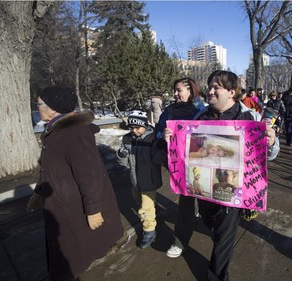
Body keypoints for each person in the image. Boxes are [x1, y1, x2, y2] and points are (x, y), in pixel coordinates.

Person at [164, 70, 279, 280]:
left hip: (232, 190)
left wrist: (270, 143)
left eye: (216, 87)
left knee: (224, 239)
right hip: (205, 190)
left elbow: (269, 156)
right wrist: (172, 139)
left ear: (231, 92)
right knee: (211, 226)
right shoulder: (200, 117)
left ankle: (216, 276)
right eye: (209, 86)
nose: (210, 91)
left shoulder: (249, 117)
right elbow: (187, 152)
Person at [26, 86, 125, 281]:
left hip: (73, 205)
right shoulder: (54, 130)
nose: (36, 107)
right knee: (66, 253)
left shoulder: (74, 132)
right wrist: (38, 192)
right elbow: (49, 168)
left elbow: (90, 174)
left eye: (38, 104)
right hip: (61, 203)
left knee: (69, 255)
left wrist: (94, 210)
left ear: (53, 108)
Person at [155, 77, 206, 259]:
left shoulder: (201, 110)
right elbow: (158, 129)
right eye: (174, 90)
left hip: (200, 163)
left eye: (179, 90)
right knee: (185, 203)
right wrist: (163, 134)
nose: (176, 94)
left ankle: (200, 212)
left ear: (191, 91)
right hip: (179, 165)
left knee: (204, 198)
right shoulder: (169, 110)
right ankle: (180, 241)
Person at [117, 109, 165, 249]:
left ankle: (149, 231)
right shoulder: (127, 139)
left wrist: (159, 148)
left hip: (149, 180)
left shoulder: (152, 138)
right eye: (132, 128)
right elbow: (122, 162)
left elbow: (158, 160)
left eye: (138, 128)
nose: (135, 131)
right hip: (135, 179)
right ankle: (153, 210)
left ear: (145, 125)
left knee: (145, 208)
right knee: (138, 201)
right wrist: (121, 154)